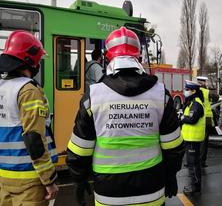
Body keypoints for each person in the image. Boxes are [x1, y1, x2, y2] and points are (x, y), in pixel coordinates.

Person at [66, 27, 184, 206]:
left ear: (107, 58)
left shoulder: (93, 96)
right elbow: (174, 146)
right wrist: (171, 175)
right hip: (152, 192)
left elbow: (79, 151)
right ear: (140, 58)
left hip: (109, 195)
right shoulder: (161, 95)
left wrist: (79, 180)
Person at [0, 30, 58, 205]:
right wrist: (49, 180)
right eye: (38, 60)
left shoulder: (2, 87)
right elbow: (34, 138)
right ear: (29, 60)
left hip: (3, 177)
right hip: (29, 179)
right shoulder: (28, 91)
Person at [181, 80, 205, 195]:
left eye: (187, 90)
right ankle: (195, 185)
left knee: (193, 164)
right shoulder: (192, 102)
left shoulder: (196, 103)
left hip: (193, 138)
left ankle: (195, 187)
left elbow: (192, 119)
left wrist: (182, 118)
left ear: (193, 91)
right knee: (192, 163)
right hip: (190, 137)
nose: (185, 91)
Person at [196, 76, 219, 167]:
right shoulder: (207, 92)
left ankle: (192, 161)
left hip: (196, 117)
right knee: (204, 142)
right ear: (205, 83)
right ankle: (202, 162)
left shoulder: (193, 91)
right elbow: (216, 98)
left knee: (194, 141)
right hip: (207, 118)